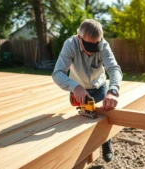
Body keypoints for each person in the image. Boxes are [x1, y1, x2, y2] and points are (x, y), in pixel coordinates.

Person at [52, 19, 122, 162]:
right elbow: (57, 73)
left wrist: (113, 91)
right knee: (81, 120)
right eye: (89, 45)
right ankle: (81, 150)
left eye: (97, 44)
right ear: (79, 38)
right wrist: (75, 87)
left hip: (99, 86)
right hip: (77, 88)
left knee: (104, 115)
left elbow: (114, 69)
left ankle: (106, 142)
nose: (92, 50)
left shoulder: (104, 46)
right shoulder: (69, 45)